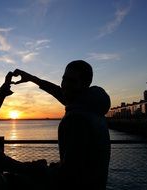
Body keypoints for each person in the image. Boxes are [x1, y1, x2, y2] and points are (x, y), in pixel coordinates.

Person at [13, 60, 111, 190]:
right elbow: (59, 92)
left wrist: (38, 169)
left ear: (85, 84)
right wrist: (32, 78)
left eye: (72, 81)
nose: (65, 85)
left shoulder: (77, 119)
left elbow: (70, 174)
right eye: (64, 79)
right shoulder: (91, 106)